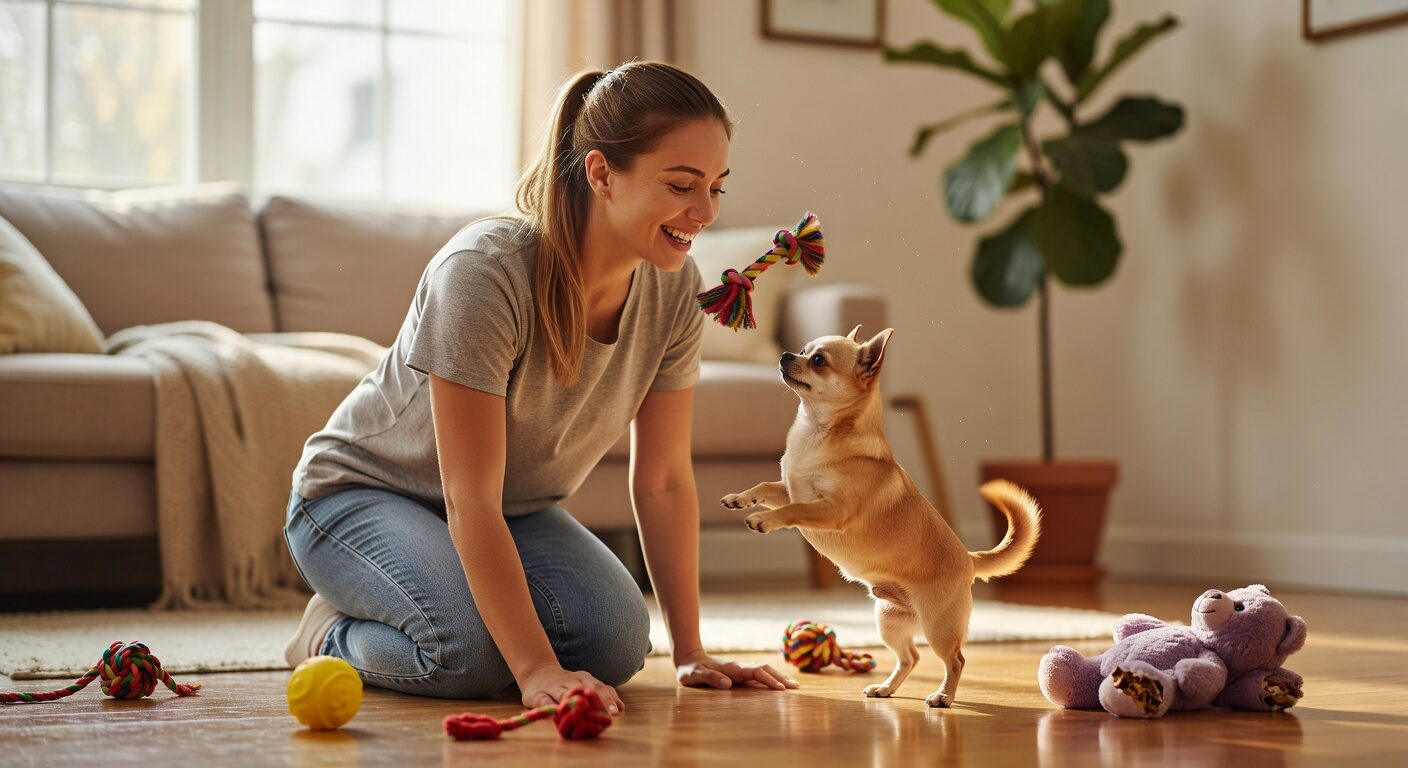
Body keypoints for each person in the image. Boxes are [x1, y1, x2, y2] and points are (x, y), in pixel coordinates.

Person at [281, 61, 798, 714]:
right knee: (468, 653)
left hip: (509, 509)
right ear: (602, 173)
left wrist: (690, 652)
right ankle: (326, 632)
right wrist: (532, 672)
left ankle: (441, 600)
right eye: (681, 185)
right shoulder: (484, 273)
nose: (705, 211)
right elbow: (467, 493)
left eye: (718, 187)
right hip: (360, 496)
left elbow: (664, 480)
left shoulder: (672, 291)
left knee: (614, 644)